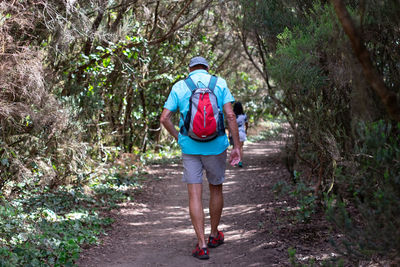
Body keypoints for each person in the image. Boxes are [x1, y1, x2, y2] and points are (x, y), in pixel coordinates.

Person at [160, 56, 241, 260]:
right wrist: (236, 146)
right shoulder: (219, 83)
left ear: (189, 69)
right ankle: (214, 235)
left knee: (194, 195)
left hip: (190, 148)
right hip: (216, 146)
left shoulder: (180, 86)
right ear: (207, 68)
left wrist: (179, 137)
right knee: (216, 188)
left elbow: (164, 118)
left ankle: (202, 245)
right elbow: (230, 116)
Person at [233, 102, 248, 168]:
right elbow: (246, 124)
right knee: (241, 148)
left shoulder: (233, 116)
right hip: (242, 132)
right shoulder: (244, 116)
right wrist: (246, 131)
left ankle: (235, 160)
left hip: (235, 133)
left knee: (235, 147)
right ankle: (240, 161)